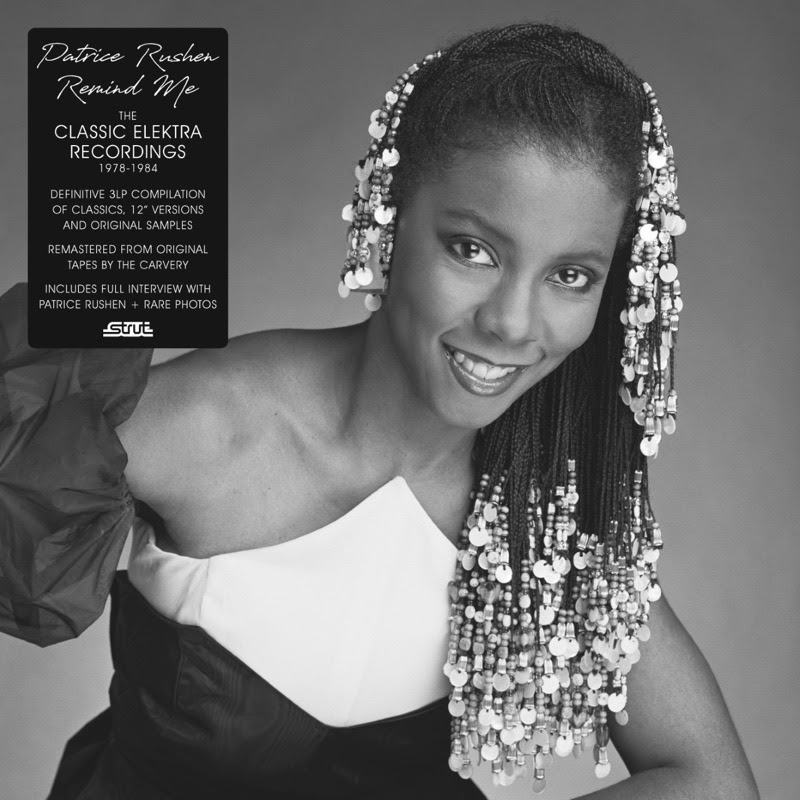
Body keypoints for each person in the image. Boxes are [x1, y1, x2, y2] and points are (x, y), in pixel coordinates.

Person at [0, 22, 759, 800]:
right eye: (473, 250)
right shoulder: (205, 425)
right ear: (391, 216)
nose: (512, 324)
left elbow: (714, 782)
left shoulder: (542, 513)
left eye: (570, 275)